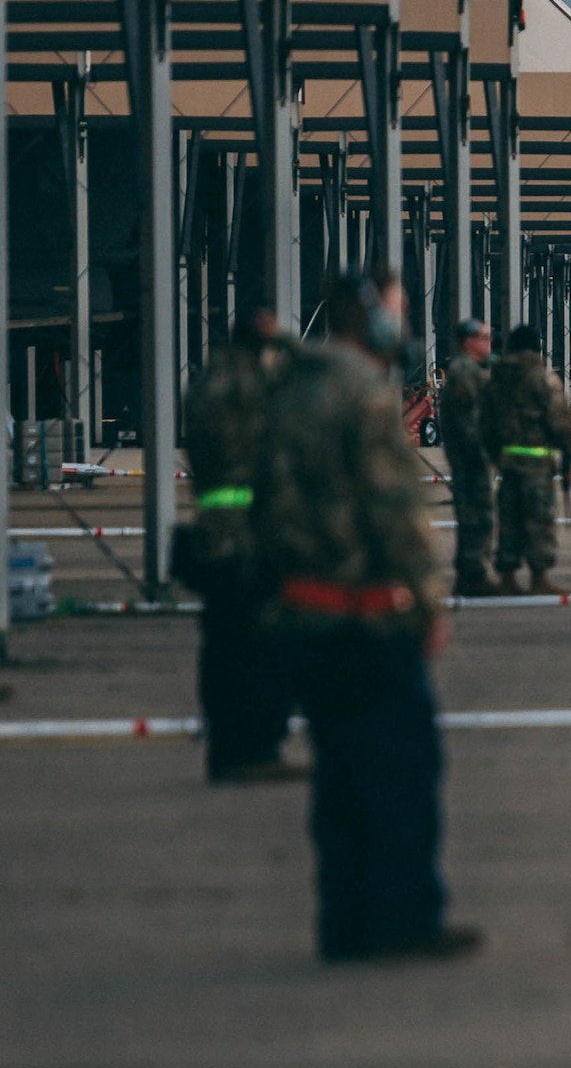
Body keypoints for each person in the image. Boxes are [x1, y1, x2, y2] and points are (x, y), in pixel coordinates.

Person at [254, 269, 477, 963]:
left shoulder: (285, 390)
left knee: (339, 777)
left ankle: (343, 924)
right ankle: (406, 918)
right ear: (372, 320)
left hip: (303, 613)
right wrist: (430, 599)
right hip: (366, 612)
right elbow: (394, 509)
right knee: (403, 771)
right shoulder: (362, 395)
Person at [180, 308, 300, 784]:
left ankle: (226, 744)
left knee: (222, 642)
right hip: (255, 528)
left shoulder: (206, 384)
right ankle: (257, 746)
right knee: (263, 642)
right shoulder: (258, 388)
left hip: (213, 526)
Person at [479, 325, 571, 597]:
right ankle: (539, 576)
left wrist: (497, 455)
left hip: (508, 462)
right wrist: (569, 458)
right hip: (538, 463)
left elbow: (485, 425)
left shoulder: (494, 381)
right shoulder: (543, 380)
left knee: (508, 519)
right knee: (539, 520)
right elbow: (559, 423)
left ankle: (507, 577)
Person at [439, 318, 497, 597]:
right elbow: (468, 420)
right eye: (483, 338)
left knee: (477, 515)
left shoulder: (474, 370)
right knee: (477, 515)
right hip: (471, 458)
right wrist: (483, 453)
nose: (489, 342)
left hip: (473, 456)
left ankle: (473, 571)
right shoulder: (464, 371)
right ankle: (473, 573)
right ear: (468, 342)